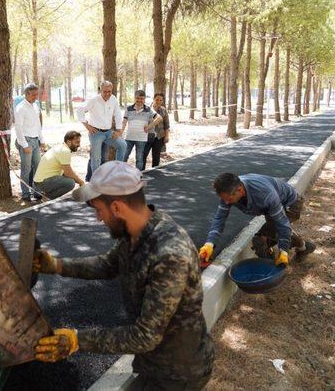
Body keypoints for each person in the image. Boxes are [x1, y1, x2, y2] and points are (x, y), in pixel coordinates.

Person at [33, 161, 215, 390]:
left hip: (178, 373)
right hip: (155, 363)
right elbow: (108, 265)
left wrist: (77, 340)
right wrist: (57, 265)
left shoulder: (170, 255)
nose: (99, 218)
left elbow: (145, 336)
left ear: (117, 207)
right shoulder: (139, 231)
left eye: (99, 210)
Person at [198, 172, 316, 266]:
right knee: (272, 233)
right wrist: (210, 243)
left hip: (290, 204)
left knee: (261, 240)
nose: (226, 203)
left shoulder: (265, 195)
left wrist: (283, 251)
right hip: (271, 208)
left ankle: (273, 269)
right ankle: (304, 247)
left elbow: (282, 224)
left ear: (239, 190)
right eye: (224, 199)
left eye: (229, 199)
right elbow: (220, 218)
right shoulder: (228, 192)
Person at [76, 81, 126, 175]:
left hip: (108, 132)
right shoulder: (93, 100)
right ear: (100, 90)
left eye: (109, 91)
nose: (107, 94)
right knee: (96, 159)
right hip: (96, 133)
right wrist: (87, 125)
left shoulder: (113, 99)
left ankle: (118, 172)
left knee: (122, 145)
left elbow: (118, 114)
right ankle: (96, 181)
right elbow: (79, 109)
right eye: (105, 91)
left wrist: (119, 131)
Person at [14, 83, 45, 201]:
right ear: (26, 94)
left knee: (38, 167)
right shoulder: (20, 108)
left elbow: (38, 125)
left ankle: (37, 191)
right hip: (25, 141)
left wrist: (42, 140)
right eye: (33, 95)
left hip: (36, 141)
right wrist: (24, 145)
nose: (36, 97)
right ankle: (25, 193)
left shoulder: (35, 106)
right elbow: (18, 128)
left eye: (37, 94)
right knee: (26, 169)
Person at [33, 130, 85, 200]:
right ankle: (48, 197)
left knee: (72, 177)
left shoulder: (62, 147)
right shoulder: (65, 151)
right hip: (42, 182)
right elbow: (68, 173)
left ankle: (47, 195)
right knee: (70, 183)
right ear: (69, 142)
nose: (79, 145)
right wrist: (81, 182)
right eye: (77, 142)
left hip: (40, 181)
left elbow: (68, 170)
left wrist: (78, 179)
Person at [122, 90, 163, 171]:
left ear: (144, 99)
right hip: (129, 138)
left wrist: (149, 126)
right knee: (124, 156)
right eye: (138, 98)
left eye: (142, 98)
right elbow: (124, 122)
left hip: (141, 139)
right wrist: (121, 133)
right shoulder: (128, 109)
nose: (140, 100)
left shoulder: (148, 109)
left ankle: (138, 175)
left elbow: (159, 118)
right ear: (135, 98)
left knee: (139, 159)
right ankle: (121, 174)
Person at [143, 92, 170, 168]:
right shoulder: (146, 109)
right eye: (157, 99)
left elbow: (167, 125)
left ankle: (155, 175)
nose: (159, 101)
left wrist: (166, 136)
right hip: (147, 137)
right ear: (153, 99)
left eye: (161, 100)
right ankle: (140, 173)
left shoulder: (163, 110)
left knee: (156, 157)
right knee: (143, 156)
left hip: (159, 137)